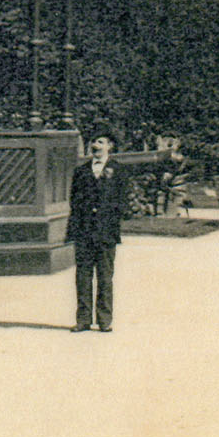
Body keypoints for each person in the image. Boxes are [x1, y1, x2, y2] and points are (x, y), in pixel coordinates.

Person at [66, 133, 127, 332]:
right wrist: (74, 229)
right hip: (84, 232)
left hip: (106, 232)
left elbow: (122, 201)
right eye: (93, 141)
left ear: (110, 146)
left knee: (105, 276)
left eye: (100, 142)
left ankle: (104, 320)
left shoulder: (118, 170)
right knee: (83, 275)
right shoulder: (81, 171)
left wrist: (109, 220)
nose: (95, 145)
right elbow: (74, 201)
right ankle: (83, 319)